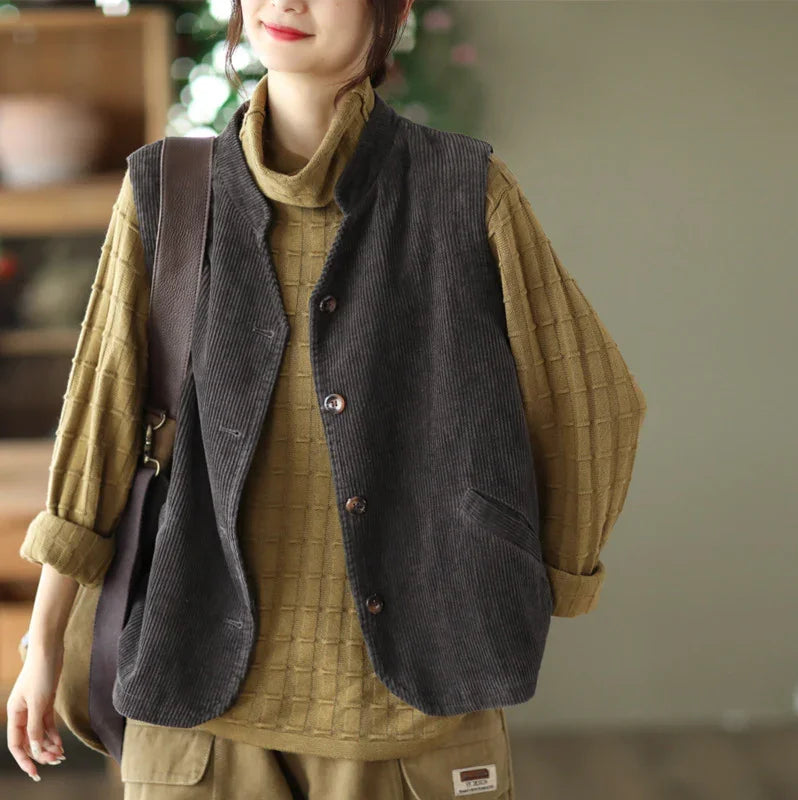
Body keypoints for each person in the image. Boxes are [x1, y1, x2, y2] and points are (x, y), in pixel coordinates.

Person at [6, 0, 647, 796]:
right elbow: (96, 430)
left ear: (395, 12)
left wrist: (525, 576)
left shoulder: (465, 191)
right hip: (194, 723)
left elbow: (593, 403)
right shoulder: (164, 191)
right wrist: (42, 642)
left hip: (413, 729)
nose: (286, 2)